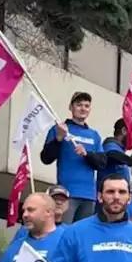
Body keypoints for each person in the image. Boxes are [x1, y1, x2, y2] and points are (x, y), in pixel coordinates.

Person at [39, 91, 104, 223]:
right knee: (64, 231)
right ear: (71, 107)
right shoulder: (60, 129)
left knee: (82, 236)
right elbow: (46, 158)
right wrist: (58, 138)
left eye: (86, 106)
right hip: (66, 194)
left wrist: (87, 154)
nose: (83, 109)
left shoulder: (94, 135)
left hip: (89, 195)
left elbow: (102, 163)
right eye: (79, 105)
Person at [97, 119, 132, 191]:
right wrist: (130, 160)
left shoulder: (120, 150)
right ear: (124, 131)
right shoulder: (110, 144)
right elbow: (111, 154)